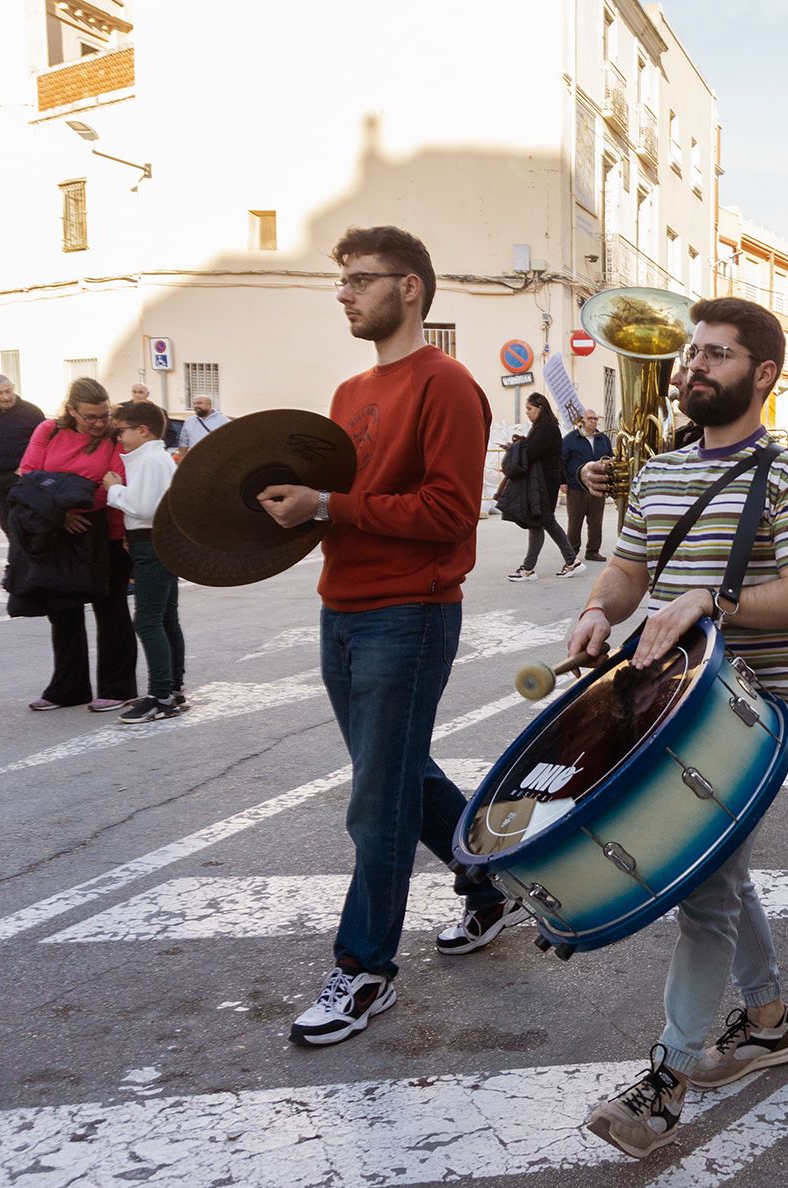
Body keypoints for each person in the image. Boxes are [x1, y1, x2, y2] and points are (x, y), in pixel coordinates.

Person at [565, 295, 788, 1157]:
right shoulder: (661, 474)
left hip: (748, 714)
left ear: (762, 375)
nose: (692, 368)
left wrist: (710, 599)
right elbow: (627, 568)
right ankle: (766, 1022)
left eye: (715, 355)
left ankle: (668, 1079)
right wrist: (596, 613)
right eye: (692, 354)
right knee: (723, 874)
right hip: (661, 704)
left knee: (706, 891)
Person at [255, 225, 506, 1046]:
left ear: (410, 289)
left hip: (412, 609)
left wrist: (327, 506)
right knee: (394, 770)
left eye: (361, 279)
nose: (345, 293)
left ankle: (365, 969)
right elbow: (335, 503)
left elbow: (446, 514)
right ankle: (493, 880)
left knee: (377, 798)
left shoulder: (448, 384)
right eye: (343, 281)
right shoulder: (346, 394)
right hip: (344, 607)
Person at [15, 377, 137, 712]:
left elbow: (109, 485)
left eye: (103, 415)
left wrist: (67, 502)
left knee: (111, 610)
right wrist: (62, 513)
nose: (99, 423)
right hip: (58, 531)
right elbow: (28, 476)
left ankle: (118, 687)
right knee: (63, 611)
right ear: (72, 411)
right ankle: (68, 689)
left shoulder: (115, 437)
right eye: (90, 417)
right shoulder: (49, 430)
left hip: (107, 532)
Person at [102, 399, 186, 723]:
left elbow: (144, 507)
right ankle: (172, 689)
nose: (118, 437)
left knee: (148, 621)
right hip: (157, 543)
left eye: (121, 430)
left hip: (151, 545)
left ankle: (160, 697)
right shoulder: (154, 457)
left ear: (143, 429)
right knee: (166, 618)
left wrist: (114, 489)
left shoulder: (150, 459)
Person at [506, 392, 582, 581]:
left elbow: (532, 452)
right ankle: (529, 568)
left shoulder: (547, 428)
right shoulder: (542, 426)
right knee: (537, 522)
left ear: (540, 407)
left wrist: (514, 448)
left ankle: (571, 561)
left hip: (544, 483)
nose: (527, 413)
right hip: (542, 482)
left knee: (545, 521)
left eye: (530, 409)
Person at [0, 374, 45, 553]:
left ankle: (23, 561)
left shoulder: (32, 412)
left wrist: (26, 468)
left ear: (13, 387)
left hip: (20, 477)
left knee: (24, 523)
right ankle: (18, 562)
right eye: (0, 393)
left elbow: (44, 444)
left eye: (8, 391)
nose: (6, 396)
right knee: (6, 524)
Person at [561, 407, 613, 562]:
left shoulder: (603, 438)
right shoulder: (570, 439)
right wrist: (562, 482)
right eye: (590, 418)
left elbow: (610, 457)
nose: (594, 421)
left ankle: (593, 551)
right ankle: (572, 553)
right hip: (576, 487)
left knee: (596, 521)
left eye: (595, 418)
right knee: (575, 522)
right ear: (582, 421)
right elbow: (561, 461)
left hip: (598, 486)